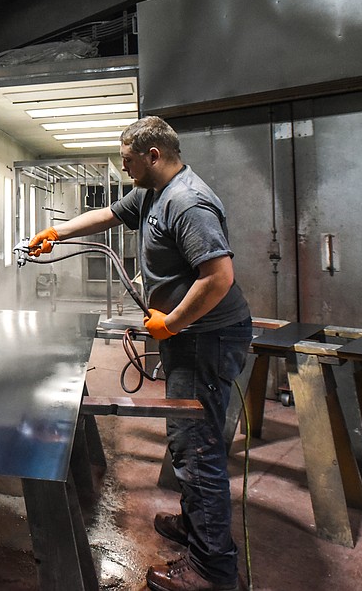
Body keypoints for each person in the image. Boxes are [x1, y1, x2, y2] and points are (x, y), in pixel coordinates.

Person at [27, 115, 250, 591]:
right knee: (186, 439)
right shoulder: (152, 192)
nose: (125, 169)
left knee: (197, 448)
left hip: (206, 338)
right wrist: (57, 232)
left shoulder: (188, 202)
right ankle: (197, 528)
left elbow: (218, 278)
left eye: (128, 161)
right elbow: (108, 215)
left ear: (153, 155)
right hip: (190, 337)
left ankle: (213, 570)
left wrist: (170, 323)